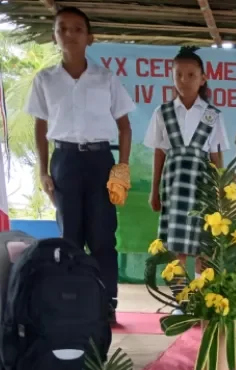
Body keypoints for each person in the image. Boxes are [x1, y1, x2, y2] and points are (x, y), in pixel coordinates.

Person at [26, 7, 135, 324]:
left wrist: (123, 166)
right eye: (63, 28)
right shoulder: (45, 80)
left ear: (90, 38)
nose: (70, 34)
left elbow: (125, 127)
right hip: (66, 162)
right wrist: (43, 171)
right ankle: (71, 301)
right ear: (54, 36)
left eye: (77, 29)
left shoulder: (106, 78)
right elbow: (40, 127)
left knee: (103, 236)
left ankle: (107, 302)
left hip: (101, 162)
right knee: (69, 237)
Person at [144, 46, 230, 311]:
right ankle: (182, 300)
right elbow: (159, 152)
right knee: (177, 246)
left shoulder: (212, 115)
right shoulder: (163, 112)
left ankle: (201, 298)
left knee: (202, 247)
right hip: (174, 184)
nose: (184, 80)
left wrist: (221, 190)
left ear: (202, 78)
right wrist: (154, 189)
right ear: (172, 77)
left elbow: (216, 156)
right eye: (178, 74)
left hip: (201, 185)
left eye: (191, 74)